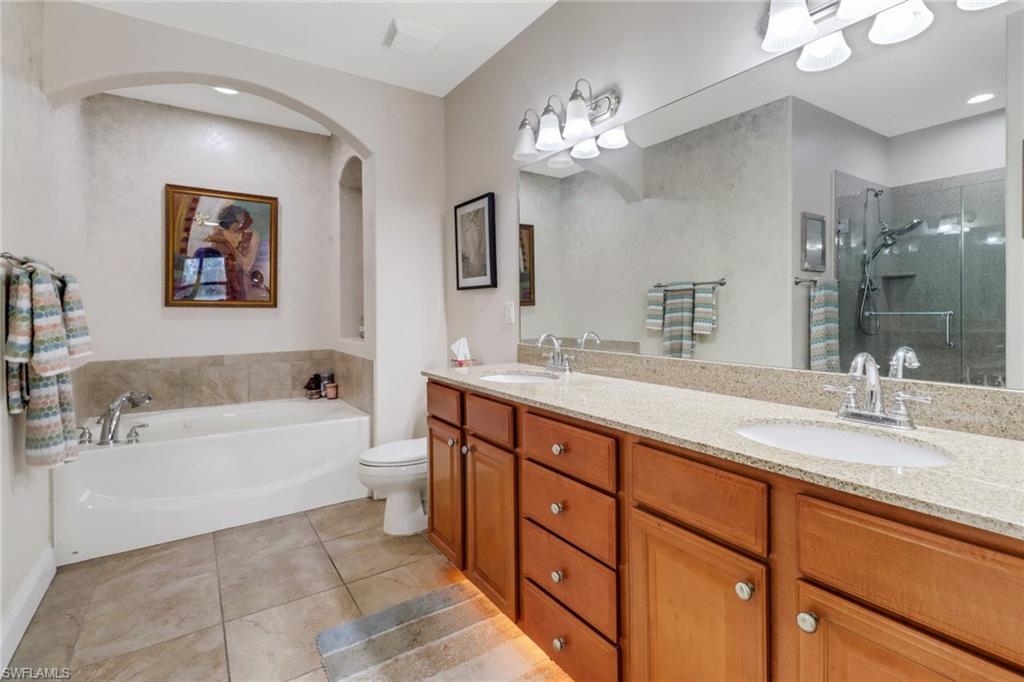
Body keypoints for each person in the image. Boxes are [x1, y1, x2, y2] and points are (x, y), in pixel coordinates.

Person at [204, 204, 257, 301]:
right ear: (229, 221)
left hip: (241, 285)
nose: (241, 225)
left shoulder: (250, 236)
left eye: (243, 221)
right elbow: (213, 264)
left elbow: (246, 266)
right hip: (222, 284)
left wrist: (227, 243)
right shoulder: (218, 235)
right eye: (238, 222)